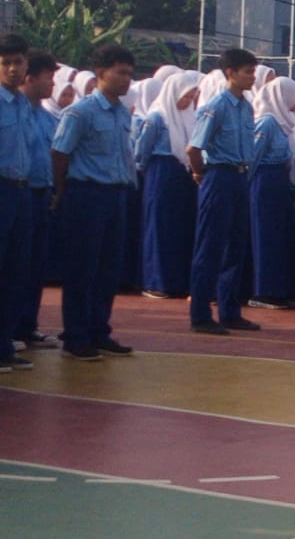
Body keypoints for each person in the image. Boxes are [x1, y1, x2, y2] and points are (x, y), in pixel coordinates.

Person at [50, 44, 138, 361]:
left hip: (116, 194)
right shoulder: (81, 111)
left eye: (130, 73)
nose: (127, 79)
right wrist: (62, 192)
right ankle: (75, 336)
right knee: (82, 268)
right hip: (87, 194)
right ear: (101, 73)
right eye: (121, 72)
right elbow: (60, 153)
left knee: (108, 269)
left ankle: (99, 330)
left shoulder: (120, 113)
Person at [187, 48, 260, 335]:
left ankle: (230, 310)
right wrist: (199, 173)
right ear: (230, 73)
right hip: (219, 175)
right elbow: (194, 147)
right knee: (210, 247)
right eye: (247, 72)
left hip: (240, 177)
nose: (252, 77)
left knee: (235, 246)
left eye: (253, 72)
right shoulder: (216, 106)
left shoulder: (246, 107)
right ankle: (201, 314)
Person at [136, 70, 201, 299]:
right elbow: (142, 150)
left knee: (179, 227)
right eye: (185, 96)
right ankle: (157, 281)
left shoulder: (189, 117)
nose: (187, 101)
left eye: (192, 96)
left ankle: (177, 280)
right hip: (161, 172)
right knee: (159, 226)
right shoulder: (157, 117)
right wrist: (146, 168)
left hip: (183, 175)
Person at [14, 51, 60, 352]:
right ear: (30, 77)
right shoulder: (14, 112)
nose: (52, 85)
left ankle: (27, 327)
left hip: (42, 194)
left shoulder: (48, 118)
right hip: (19, 192)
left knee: (35, 265)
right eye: (48, 78)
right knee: (14, 264)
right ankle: (10, 328)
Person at [247, 75, 295, 309]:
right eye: (294, 96)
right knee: (265, 236)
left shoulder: (285, 121)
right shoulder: (267, 122)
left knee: (279, 236)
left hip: (279, 183)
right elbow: (253, 158)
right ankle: (264, 291)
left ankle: (279, 288)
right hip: (265, 183)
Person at [0, 34, 34, 371]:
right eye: (5, 63)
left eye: (18, 62)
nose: (12, 69)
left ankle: (5, 344)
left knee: (16, 270)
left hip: (23, 192)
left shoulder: (23, 104)